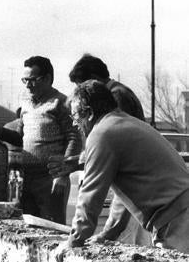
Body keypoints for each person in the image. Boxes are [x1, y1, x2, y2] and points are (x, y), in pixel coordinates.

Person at [54, 80, 189, 260]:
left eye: (75, 117)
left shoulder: (101, 133)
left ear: (89, 113)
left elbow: (90, 193)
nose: (74, 124)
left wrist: (74, 240)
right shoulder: (122, 123)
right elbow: (124, 194)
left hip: (177, 219)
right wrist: (108, 233)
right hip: (181, 212)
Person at [50, 54, 149, 246]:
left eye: (81, 85)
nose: (80, 92)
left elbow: (108, 151)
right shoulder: (117, 96)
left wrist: (76, 238)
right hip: (143, 195)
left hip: (148, 199)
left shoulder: (115, 100)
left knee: (128, 243)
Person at [0, 56, 81, 224]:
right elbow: (20, 138)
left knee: (51, 227)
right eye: (25, 80)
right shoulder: (25, 104)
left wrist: (63, 173)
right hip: (27, 179)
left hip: (51, 179)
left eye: (33, 80)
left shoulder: (61, 103)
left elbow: (74, 138)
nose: (27, 85)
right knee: (29, 225)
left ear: (48, 78)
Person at [68, 54, 144, 121]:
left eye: (82, 87)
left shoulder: (116, 95)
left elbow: (118, 131)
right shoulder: (119, 91)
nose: (81, 93)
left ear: (93, 79)